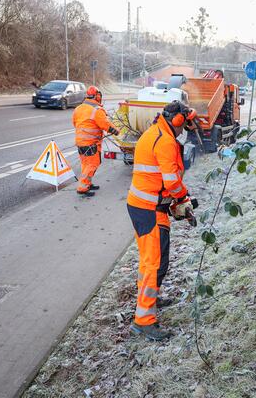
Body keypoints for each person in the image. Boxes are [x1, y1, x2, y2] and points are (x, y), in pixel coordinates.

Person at [127, 100, 196, 341]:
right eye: (184, 126)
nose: (184, 131)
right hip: (149, 208)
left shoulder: (154, 131)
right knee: (155, 264)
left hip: (143, 206)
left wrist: (175, 203)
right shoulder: (165, 141)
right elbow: (172, 182)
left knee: (148, 261)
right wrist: (184, 198)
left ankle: (149, 298)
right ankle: (143, 321)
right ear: (177, 121)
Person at [72, 86, 119, 196]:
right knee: (93, 164)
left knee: (85, 164)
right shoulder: (97, 110)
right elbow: (105, 125)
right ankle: (82, 187)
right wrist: (116, 131)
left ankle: (87, 183)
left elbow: (75, 123)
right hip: (91, 142)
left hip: (80, 142)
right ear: (97, 96)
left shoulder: (78, 108)